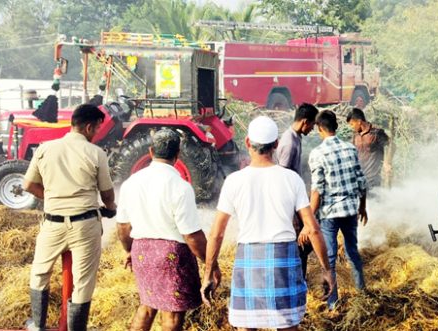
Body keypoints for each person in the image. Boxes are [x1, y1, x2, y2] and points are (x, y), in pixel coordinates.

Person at [201, 116, 335, 331]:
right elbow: (312, 229)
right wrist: (326, 270)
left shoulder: (234, 181)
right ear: (275, 145)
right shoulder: (291, 179)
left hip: (248, 259)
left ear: (247, 143)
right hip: (284, 259)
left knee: (247, 326)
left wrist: (208, 273)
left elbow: (216, 233)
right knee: (288, 326)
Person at [23, 104, 117, 331]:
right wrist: (110, 207)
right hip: (84, 225)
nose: (96, 133)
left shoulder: (45, 148)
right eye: (96, 129)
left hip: (52, 222)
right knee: (83, 281)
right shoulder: (96, 153)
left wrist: (54, 199)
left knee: (40, 272)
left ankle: (37, 324)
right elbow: (106, 193)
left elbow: (28, 184)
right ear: (88, 127)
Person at [114, 129, 210, 331]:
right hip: (172, 254)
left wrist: (129, 250)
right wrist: (210, 262)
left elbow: (123, 226)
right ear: (178, 155)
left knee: (147, 306)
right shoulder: (180, 186)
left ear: (150, 151)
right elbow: (191, 235)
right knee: (172, 313)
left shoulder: (131, 183)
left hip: (142, 251)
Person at [309, 110, 368, 310]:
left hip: (330, 214)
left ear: (320, 129)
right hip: (351, 210)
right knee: (352, 251)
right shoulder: (350, 148)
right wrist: (363, 207)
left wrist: (309, 217)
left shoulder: (318, 153)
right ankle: (362, 293)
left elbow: (318, 189)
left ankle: (333, 302)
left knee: (330, 258)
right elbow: (362, 181)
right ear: (335, 126)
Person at [274, 103, 319, 277]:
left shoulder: (295, 137)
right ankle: (296, 278)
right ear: (305, 122)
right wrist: (292, 213)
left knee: (304, 243)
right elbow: (282, 176)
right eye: (313, 125)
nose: (313, 128)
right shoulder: (290, 143)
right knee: (300, 242)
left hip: (295, 201)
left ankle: (300, 277)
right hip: (289, 204)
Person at [346, 108, 389, 189]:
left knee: (374, 201)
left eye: (352, 124)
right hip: (359, 180)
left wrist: (387, 163)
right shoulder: (355, 136)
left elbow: (391, 146)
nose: (351, 127)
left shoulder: (376, 133)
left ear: (359, 121)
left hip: (374, 179)